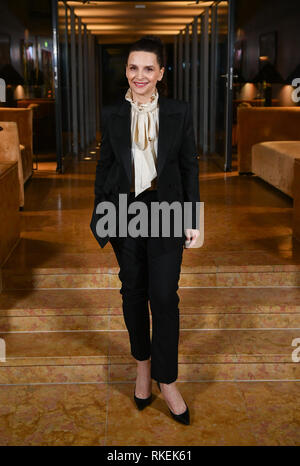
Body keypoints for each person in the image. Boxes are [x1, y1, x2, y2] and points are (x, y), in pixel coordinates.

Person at [90, 35, 200, 425]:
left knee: (164, 297)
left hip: (167, 209)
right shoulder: (112, 113)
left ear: (161, 73)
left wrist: (193, 219)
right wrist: (101, 212)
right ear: (126, 71)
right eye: (133, 67)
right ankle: (143, 364)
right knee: (133, 291)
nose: (140, 75)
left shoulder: (178, 111)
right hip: (124, 211)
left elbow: (189, 165)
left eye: (148, 68)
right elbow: (105, 165)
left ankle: (167, 380)